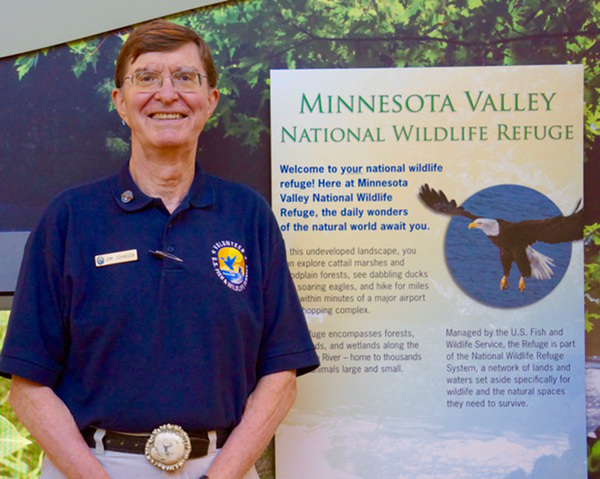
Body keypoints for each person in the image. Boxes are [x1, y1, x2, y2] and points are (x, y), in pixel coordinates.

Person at [0, 19, 319, 479]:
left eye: (185, 77)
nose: (167, 94)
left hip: (222, 467)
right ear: (120, 101)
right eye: (147, 77)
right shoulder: (68, 219)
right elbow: (28, 387)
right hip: (92, 467)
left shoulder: (249, 216)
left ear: (210, 100)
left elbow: (281, 376)